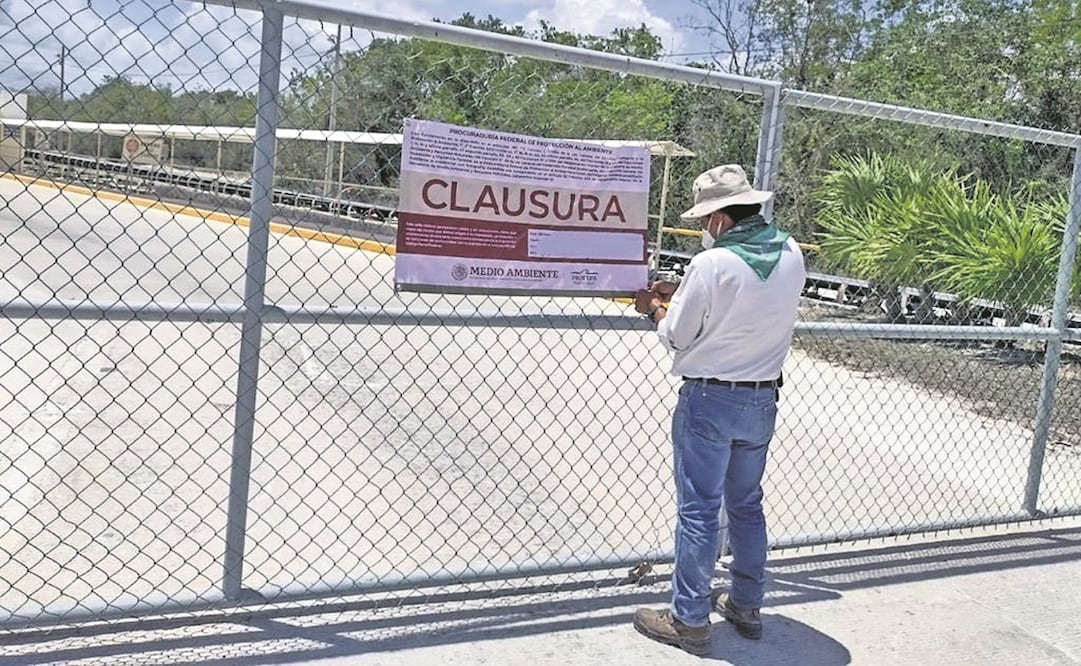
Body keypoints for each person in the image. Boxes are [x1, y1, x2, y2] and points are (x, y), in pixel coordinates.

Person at [631, 164, 806, 656]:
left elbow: (678, 335)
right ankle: (746, 604)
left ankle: (688, 618)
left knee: (699, 510)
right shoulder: (791, 252)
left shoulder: (712, 263)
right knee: (746, 505)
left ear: (719, 219)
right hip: (761, 397)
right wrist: (685, 292)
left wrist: (655, 308)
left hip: (710, 399)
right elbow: (748, 303)